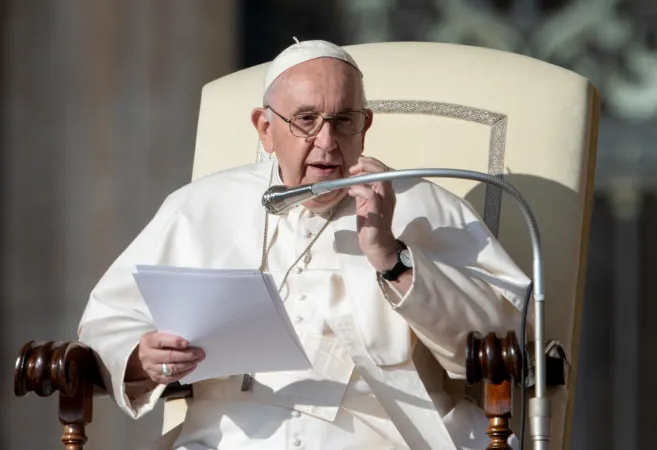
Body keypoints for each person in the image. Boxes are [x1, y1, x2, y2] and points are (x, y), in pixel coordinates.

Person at [78, 39, 531, 450]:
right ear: (264, 128)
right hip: (225, 436)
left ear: (365, 125)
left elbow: (508, 331)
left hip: (378, 434)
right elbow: (107, 320)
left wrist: (392, 258)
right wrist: (141, 357)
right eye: (306, 120)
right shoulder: (199, 206)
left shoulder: (422, 203)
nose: (327, 142)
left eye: (344, 121)